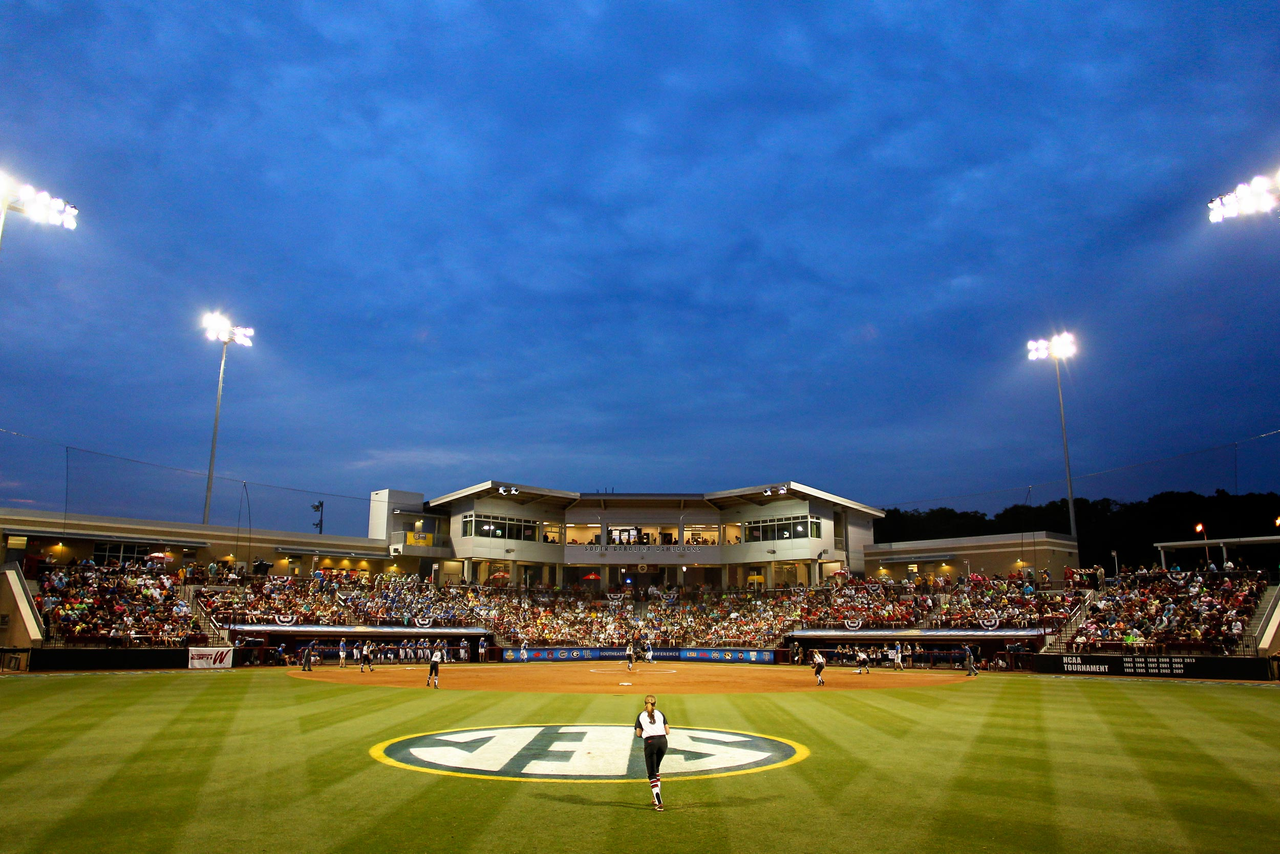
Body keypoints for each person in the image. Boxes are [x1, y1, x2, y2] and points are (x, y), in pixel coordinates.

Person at [634, 694, 670, 811]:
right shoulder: (660, 714)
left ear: (644, 703)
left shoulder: (641, 715)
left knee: (651, 774)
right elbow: (667, 731)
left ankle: (659, 802)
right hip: (663, 742)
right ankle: (655, 798)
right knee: (656, 769)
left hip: (650, 742)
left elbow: (638, 733)